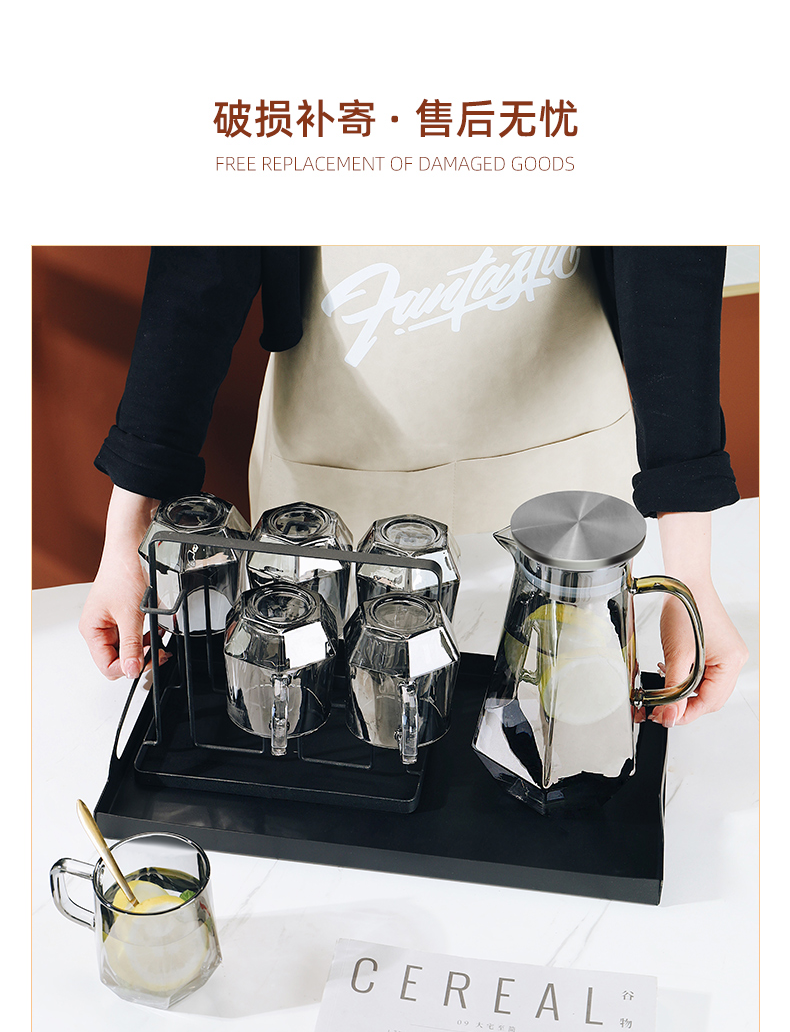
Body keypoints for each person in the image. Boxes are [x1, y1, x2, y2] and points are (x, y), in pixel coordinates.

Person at [79, 245, 749, 727]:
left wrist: (690, 579)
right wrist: (126, 533)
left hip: (571, 497)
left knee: (560, 730)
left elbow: (670, 254)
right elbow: (199, 265)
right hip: (331, 498)